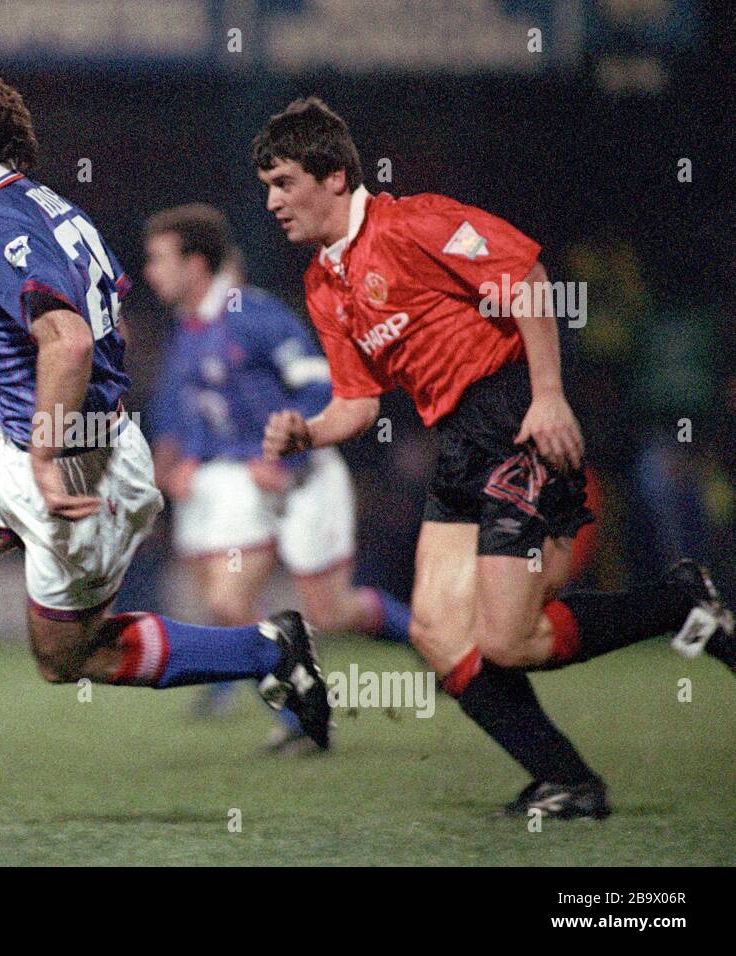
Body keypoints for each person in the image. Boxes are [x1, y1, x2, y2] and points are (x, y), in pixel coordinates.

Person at [0, 67, 330, 823]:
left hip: (81, 463)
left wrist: (44, 448)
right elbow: (108, 336)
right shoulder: (43, 207)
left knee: (70, 659)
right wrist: (6, 401)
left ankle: (269, 650)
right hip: (20, 435)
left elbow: (70, 343)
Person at [255, 97, 734, 818]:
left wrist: (547, 395)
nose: (272, 201)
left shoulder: (413, 222)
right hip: (458, 444)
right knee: (436, 633)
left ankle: (678, 602)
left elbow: (527, 277)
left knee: (509, 641)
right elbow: (357, 404)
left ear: (332, 176)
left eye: (284, 182)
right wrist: (307, 432)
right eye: (266, 185)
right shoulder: (326, 284)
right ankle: (569, 780)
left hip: (513, 418)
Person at [143, 203, 410, 750]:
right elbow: (195, 409)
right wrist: (182, 456)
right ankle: (300, 719)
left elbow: (316, 386)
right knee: (226, 604)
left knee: (331, 612)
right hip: (243, 482)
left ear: (195, 265)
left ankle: (434, 642)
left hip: (305, 477)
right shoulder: (190, 327)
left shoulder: (253, 314)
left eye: (158, 259)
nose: (149, 271)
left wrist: (284, 456)